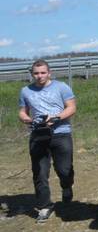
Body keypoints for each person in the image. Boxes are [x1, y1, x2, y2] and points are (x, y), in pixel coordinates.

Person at [18, 60, 77, 223]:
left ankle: (66, 186)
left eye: (43, 72)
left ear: (49, 73)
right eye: (36, 73)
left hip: (61, 133)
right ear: (32, 74)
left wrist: (56, 117)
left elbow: (71, 107)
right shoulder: (25, 91)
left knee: (64, 169)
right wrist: (27, 120)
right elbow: (22, 112)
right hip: (38, 135)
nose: (39, 76)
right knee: (39, 172)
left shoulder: (61, 87)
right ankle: (44, 206)